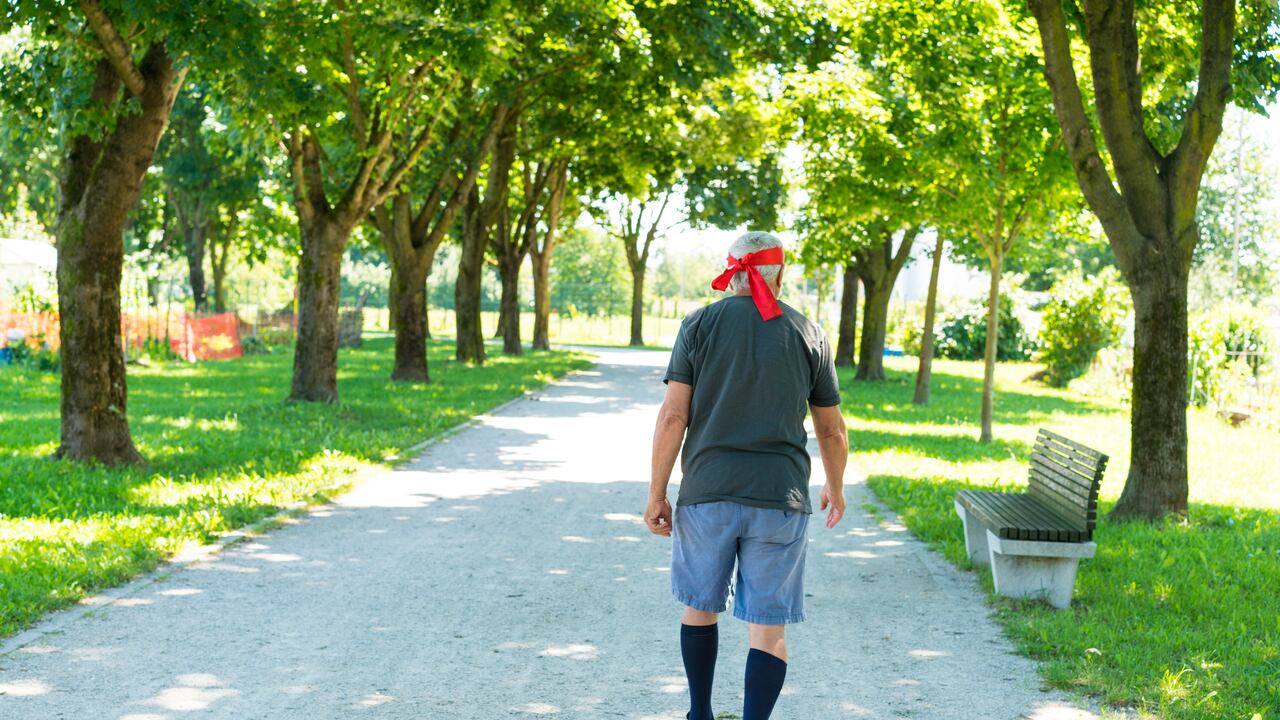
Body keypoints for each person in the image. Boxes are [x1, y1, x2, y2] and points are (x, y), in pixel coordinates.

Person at [645, 231, 848, 720]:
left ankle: (700, 714)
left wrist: (657, 493)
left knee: (700, 608)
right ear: (781, 274)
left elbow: (673, 417)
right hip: (780, 498)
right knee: (768, 628)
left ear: (731, 270)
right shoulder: (808, 333)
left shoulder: (698, 325)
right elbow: (831, 428)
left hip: (707, 493)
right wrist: (835, 487)